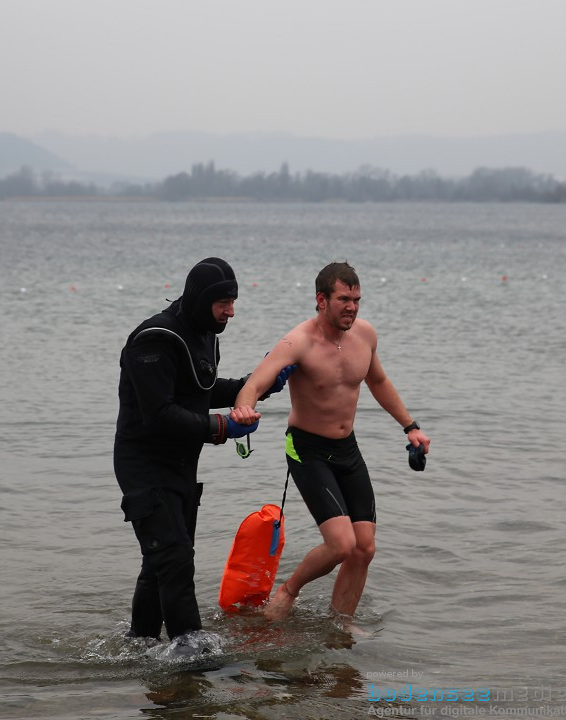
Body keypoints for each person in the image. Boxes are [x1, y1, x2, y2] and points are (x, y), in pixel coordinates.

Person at [230, 261, 431, 622]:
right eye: (343, 299)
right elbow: (254, 384)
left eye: (356, 299)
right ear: (321, 300)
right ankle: (287, 592)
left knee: (364, 548)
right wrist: (243, 409)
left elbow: (379, 382)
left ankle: (342, 628)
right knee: (342, 544)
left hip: (347, 449)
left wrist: (410, 426)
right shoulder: (298, 342)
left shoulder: (365, 336)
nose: (352, 307)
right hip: (306, 449)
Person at [113, 257, 292, 644]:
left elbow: (202, 389)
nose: (231, 311)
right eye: (223, 303)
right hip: (144, 467)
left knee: (160, 563)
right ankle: (193, 655)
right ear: (199, 299)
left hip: (180, 466)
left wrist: (257, 385)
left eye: (233, 301)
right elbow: (158, 414)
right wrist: (223, 427)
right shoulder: (155, 339)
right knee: (176, 562)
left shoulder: (205, 334)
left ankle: (139, 644)